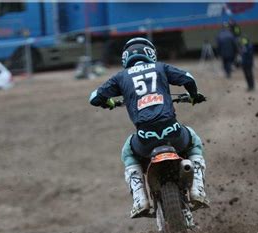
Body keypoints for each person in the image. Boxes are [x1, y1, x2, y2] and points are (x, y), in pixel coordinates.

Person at [89, 37, 209, 219]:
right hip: (173, 132)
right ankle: (197, 187)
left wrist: (109, 102)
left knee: (128, 151)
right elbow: (188, 79)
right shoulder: (161, 67)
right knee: (193, 139)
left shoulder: (120, 77)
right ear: (150, 53)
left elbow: (94, 97)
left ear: (125, 57)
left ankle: (139, 198)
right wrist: (193, 96)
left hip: (145, 138)